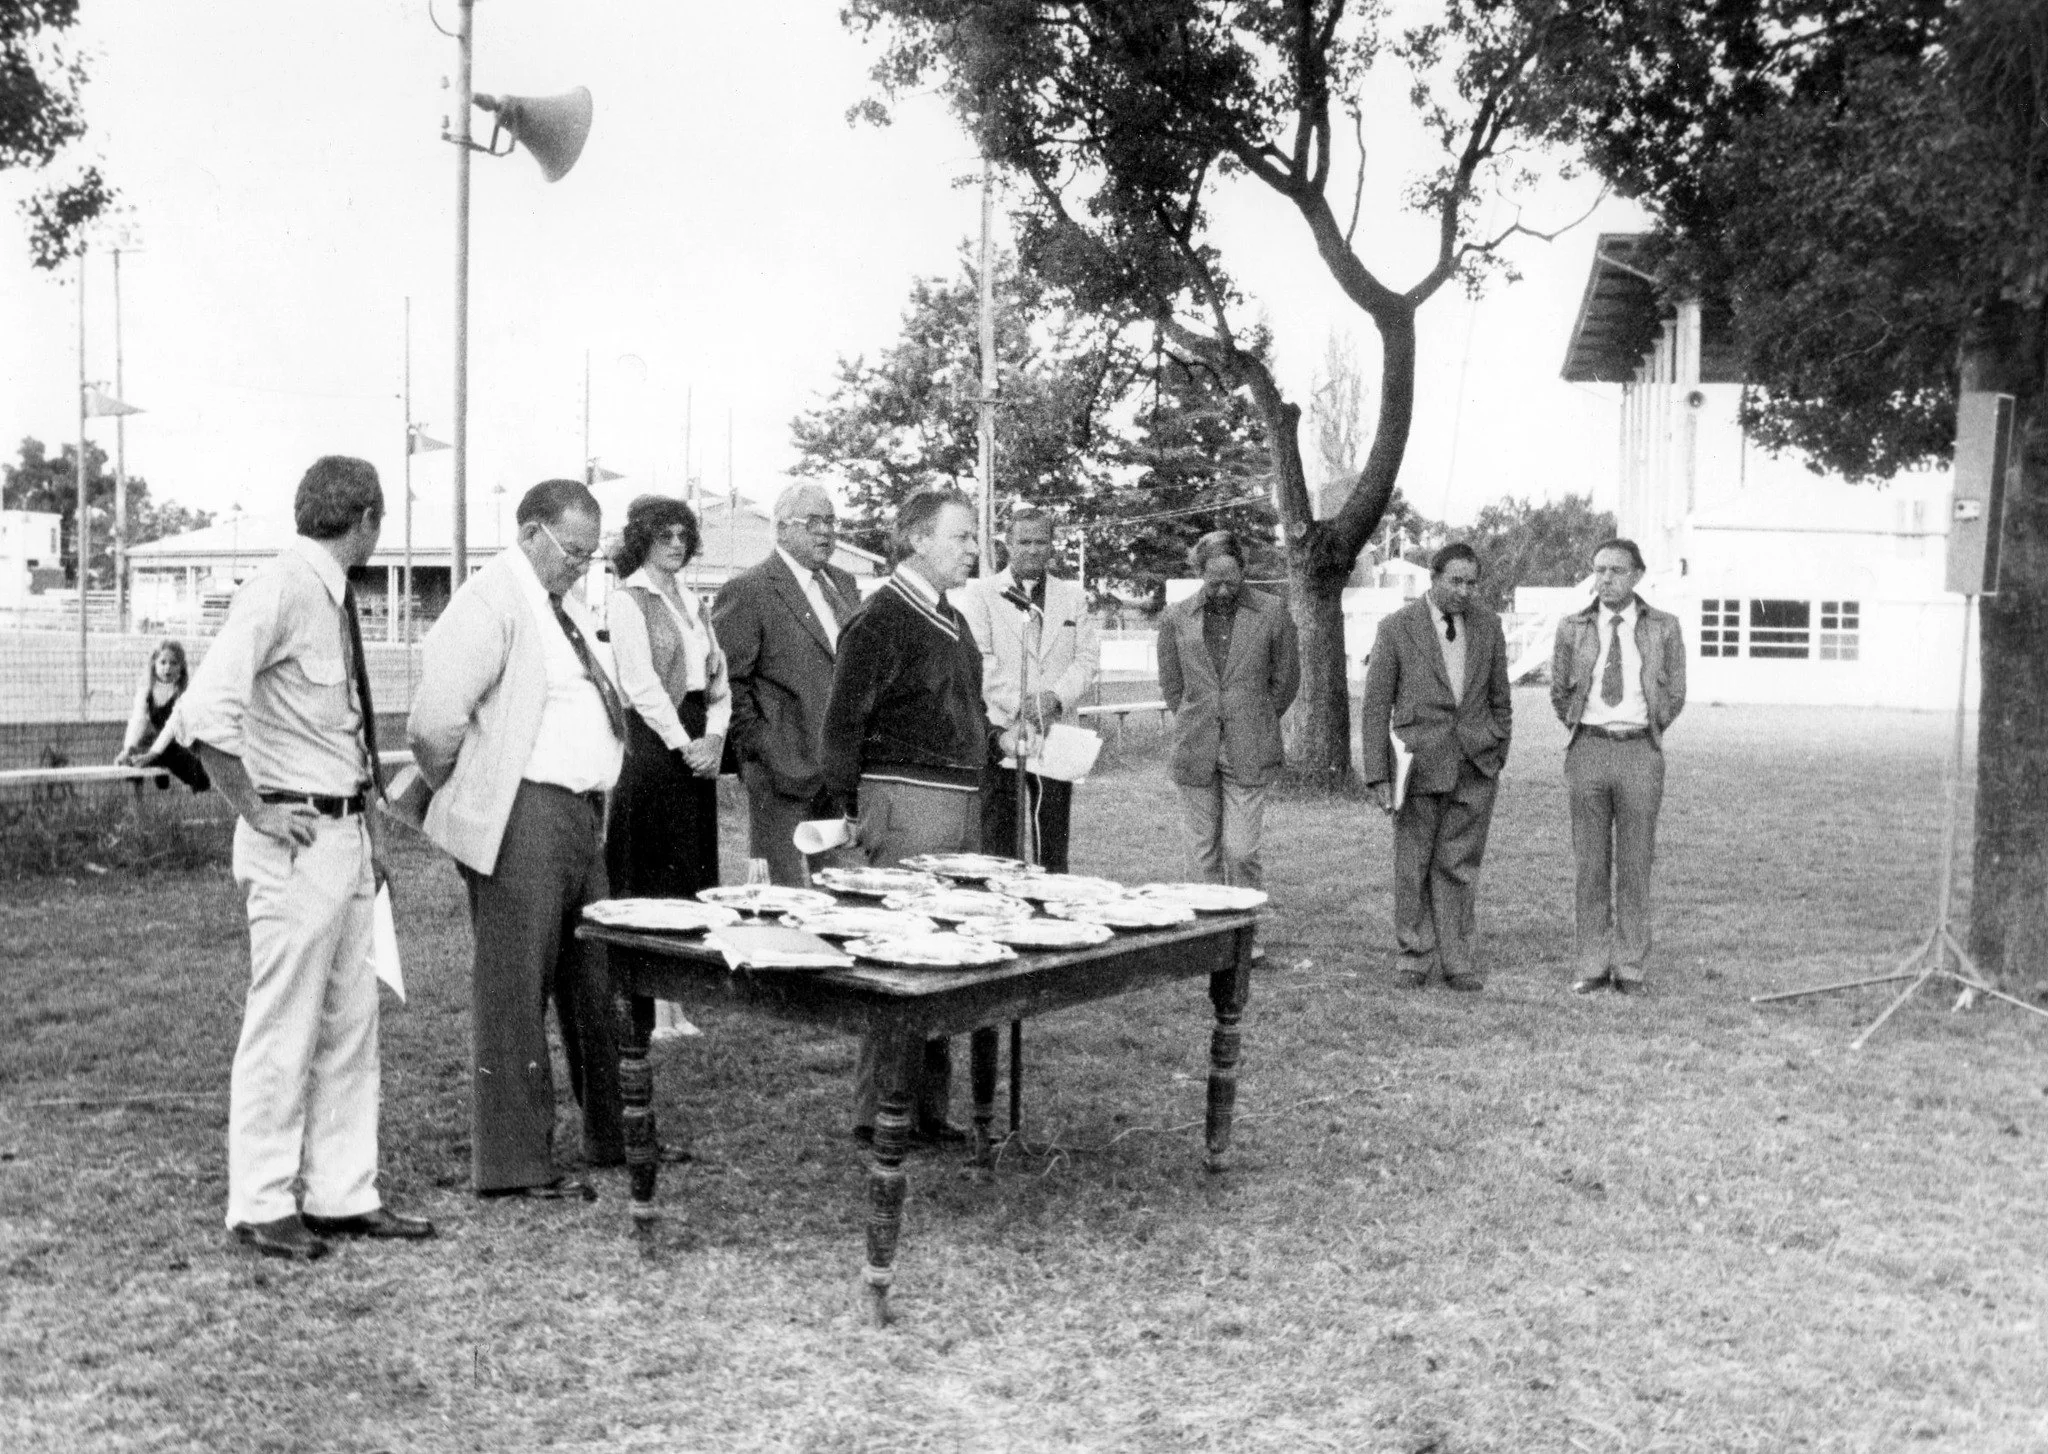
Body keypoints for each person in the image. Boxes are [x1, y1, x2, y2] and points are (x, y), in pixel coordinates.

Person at [173, 454, 433, 1260]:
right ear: (368, 522)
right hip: (296, 842)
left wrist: (371, 835)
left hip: (346, 837)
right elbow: (201, 716)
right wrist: (255, 810)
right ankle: (259, 1203)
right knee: (283, 1027)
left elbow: (340, 730)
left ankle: (341, 1194)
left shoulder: (329, 594)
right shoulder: (283, 589)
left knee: (351, 1026)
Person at [407, 479, 628, 1199]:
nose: (580, 565)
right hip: (523, 819)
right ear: (531, 532)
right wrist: (470, 789)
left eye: (591, 556)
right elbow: (434, 723)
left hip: (582, 818)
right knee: (514, 993)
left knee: (597, 985)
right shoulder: (489, 601)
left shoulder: (564, 605)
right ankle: (514, 1165)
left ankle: (610, 1136)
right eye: (571, 551)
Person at [822, 487, 1004, 1146]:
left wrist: (1000, 740)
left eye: (973, 538)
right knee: (899, 957)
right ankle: (877, 1116)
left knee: (945, 955)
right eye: (960, 537)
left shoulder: (952, 621)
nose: (973, 549)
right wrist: (849, 820)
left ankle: (927, 1109)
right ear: (917, 539)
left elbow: (968, 713)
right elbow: (841, 727)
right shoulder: (879, 620)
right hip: (902, 805)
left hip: (959, 806)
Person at [1359, 543, 1514, 991]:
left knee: (1459, 863)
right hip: (1418, 766)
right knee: (1413, 863)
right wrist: (1378, 774)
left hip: (1474, 764)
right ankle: (1414, 953)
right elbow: (1374, 708)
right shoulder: (1396, 629)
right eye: (1456, 581)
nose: (1465, 591)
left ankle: (1458, 957)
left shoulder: (1489, 626)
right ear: (1433, 578)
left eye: (1472, 582)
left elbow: (1500, 699)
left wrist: (1496, 749)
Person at [605, 495, 730, 1038]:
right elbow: (641, 686)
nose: (676, 545)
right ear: (642, 541)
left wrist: (715, 737)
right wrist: (687, 744)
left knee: (688, 870)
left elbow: (719, 681)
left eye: (683, 536)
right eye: (664, 536)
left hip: (698, 739)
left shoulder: (693, 601)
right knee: (652, 871)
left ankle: (678, 1003)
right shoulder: (626, 599)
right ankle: (651, 1007)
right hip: (656, 747)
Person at [1550, 537, 1687, 995]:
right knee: (1590, 863)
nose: (1605, 579)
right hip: (1587, 748)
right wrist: (1585, 724)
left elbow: (1676, 693)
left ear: (1637, 576)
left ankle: (1629, 967)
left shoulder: (1664, 627)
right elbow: (1559, 692)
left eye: (1615, 570)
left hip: (1639, 753)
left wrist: (1646, 728)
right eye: (1599, 570)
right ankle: (1591, 962)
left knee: (1635, 863)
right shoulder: (1573, 627)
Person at [712, 481, 863, 886]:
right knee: (785, 896)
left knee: (840, 893)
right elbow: (729, 684)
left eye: (831, 521)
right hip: (783, 775)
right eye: (812, 521)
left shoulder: (845, 585)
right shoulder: (748, 591)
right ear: (781, 528)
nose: (825, 532)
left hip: (842, 774)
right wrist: (767, 750)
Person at [1155, 530, 1300, 906]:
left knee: (1241, 851)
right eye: (1214, 581)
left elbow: (1285, 681)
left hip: (1249, 747)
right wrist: (1199, 717)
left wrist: (1254, 717)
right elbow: (1172, 686)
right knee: (1202, 854)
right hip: (1195, 746)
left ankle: (1243, 938)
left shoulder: (1272, 612)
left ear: (1243, 571)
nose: (1222, 590)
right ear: (1200, 572)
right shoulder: (1175, 618)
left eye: (1231, 580)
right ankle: (1207, 936)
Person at [955, 508, 1100, 870]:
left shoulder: (1072, 596)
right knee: (1000, 843)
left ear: (1052, 545)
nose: (1033, 550)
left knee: (1053, 843)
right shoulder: (982, 594)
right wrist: (1019, 703)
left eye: (1041, 541)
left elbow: (1086, 659)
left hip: (1057, 731)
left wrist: (1054, 698)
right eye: (1024, 541)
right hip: (1001, 730)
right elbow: (979, 658)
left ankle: (1051, 913)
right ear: (1008, 543)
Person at [115, 639, 211, 792]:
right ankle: (154, 763)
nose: (168, 668)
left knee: (180, 759)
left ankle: (163, 762)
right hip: (157, 741)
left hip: (180, 741)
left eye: (174, 663)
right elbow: (138, 720)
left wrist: (153, 753)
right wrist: (128, 748)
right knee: (132, 752)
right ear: (154, 664)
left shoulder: (183, 693)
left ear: (181, 667)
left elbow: (173, 728)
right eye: (163, 662)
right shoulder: (146, 691)